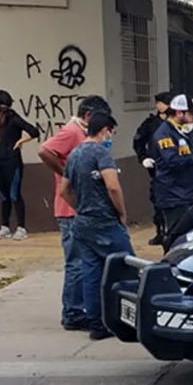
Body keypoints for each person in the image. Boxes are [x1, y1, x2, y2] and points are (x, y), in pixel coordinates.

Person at [38, 95, 111, 331]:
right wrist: (65, 173)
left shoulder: (82, 135)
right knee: (76, 262)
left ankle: (80, 308)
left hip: (83, 207)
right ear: (88, 116)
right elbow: (45, 150)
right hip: (70, 208)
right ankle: (72, 310)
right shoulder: (71, 131)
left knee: (86, 261)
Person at [59, 112, 134, 341]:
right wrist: (121, 212)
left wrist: (80, 206)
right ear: (104, 130)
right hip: (105, 222)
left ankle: (96, 324)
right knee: (129, 267)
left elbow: (64, 190)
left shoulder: (75, 154)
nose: (111, 137)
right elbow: (112, 186)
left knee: (91, 273)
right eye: (111, 132)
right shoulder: (101, 153)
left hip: (83, 223)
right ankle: (133, 319)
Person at [0, 90, 40, 240]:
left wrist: (20, 142)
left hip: (12, 161)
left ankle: (21, 227)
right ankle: (5, 226)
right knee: (3, 195)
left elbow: (34, 131)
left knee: (14, 194)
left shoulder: (13, 118)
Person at [154, 94, 193, 252]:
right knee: (175, 237)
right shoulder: (164, 134)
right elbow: (172, 160)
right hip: (173, 195)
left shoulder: (187, 131)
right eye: (191, 113)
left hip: (189, 192)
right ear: (179, 113)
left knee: (192, 237)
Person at [133, 91, 173, 246]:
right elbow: (138, 141)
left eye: (161, 102)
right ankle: (160, 232)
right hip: (157, 169)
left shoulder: (178, 122)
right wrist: (143, 158)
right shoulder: (150, 123)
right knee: (158, 201)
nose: (158, 106)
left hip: (175, 168)